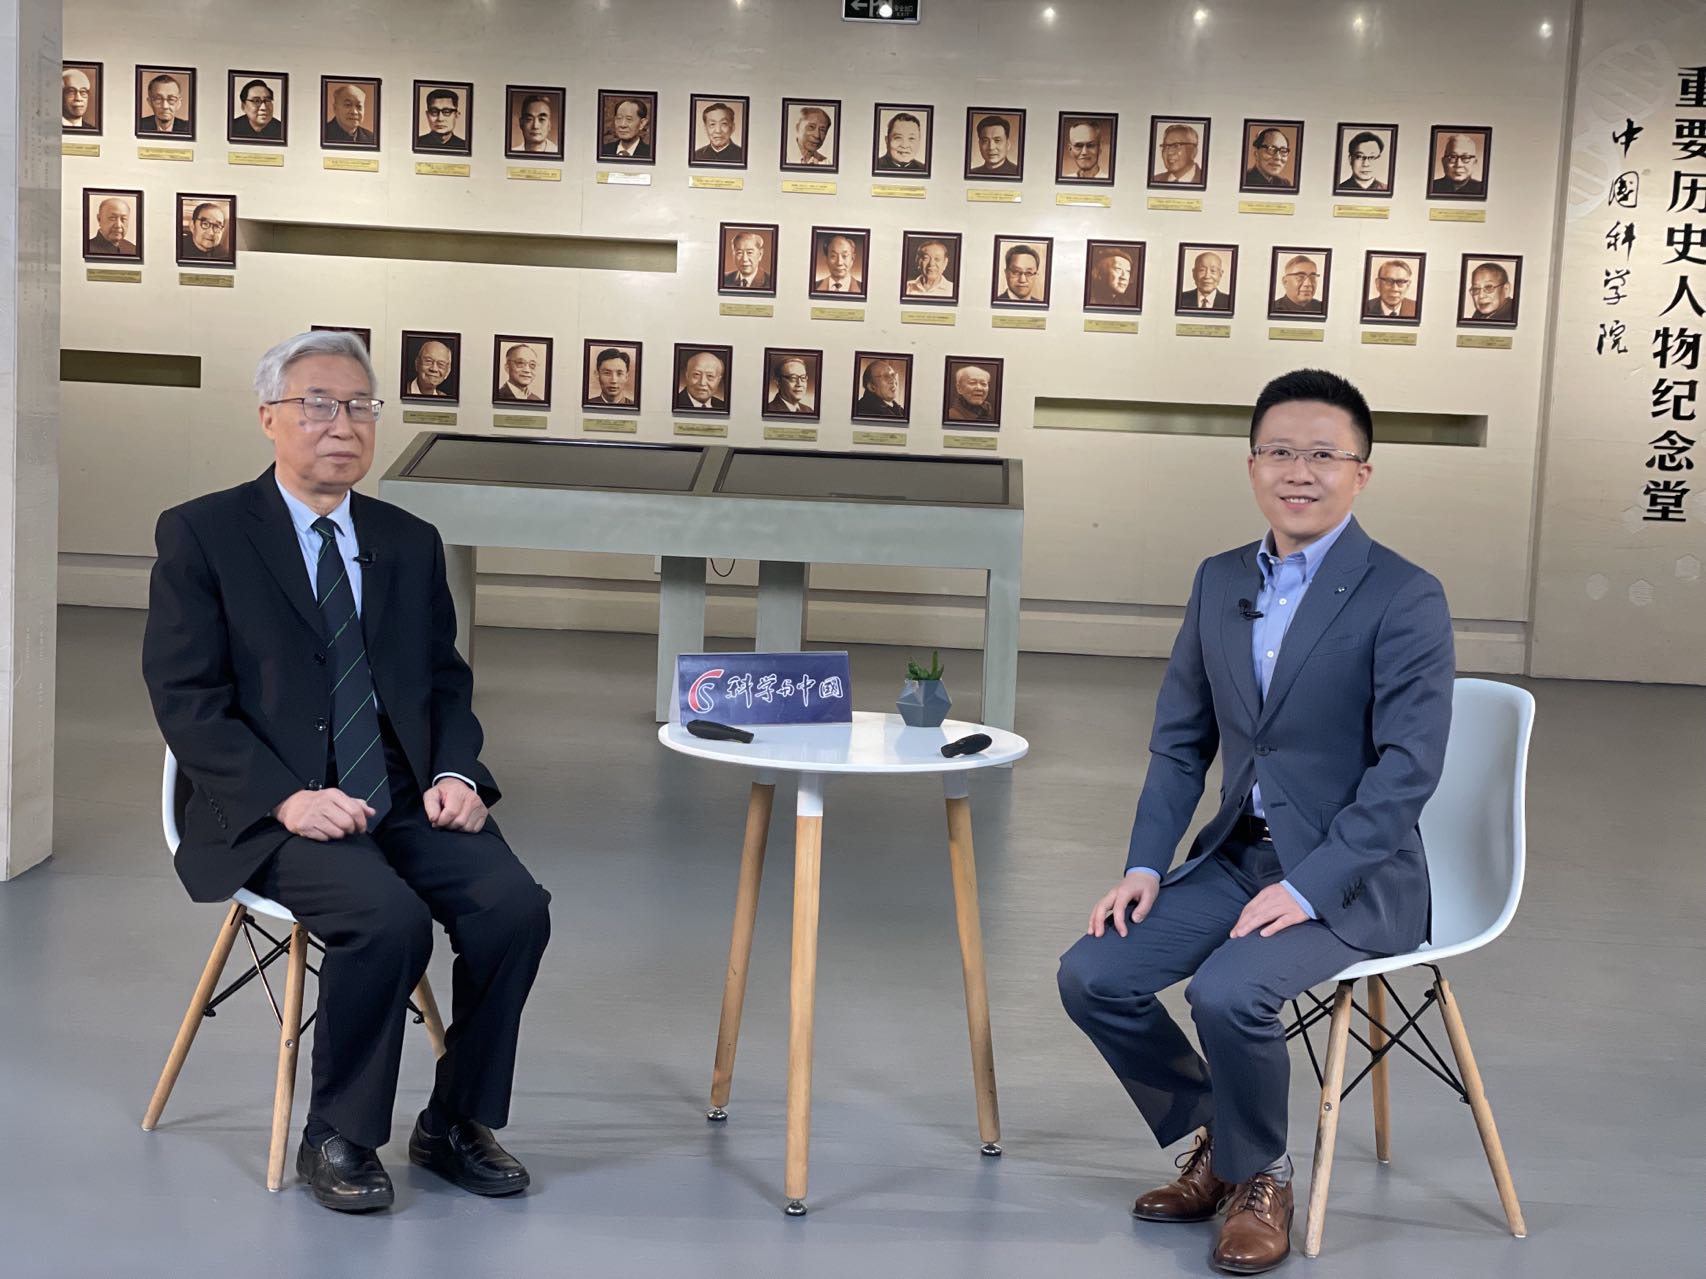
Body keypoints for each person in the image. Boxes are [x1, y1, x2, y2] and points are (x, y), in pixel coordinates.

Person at [141, 329, 552, 1214]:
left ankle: (455, 1121)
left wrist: (456, 770)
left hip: (400, 793)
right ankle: (338, 1132)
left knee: (515, 907)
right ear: (269, 417)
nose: (343, 424)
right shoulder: (204, 533)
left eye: (361, 406)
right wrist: (286, 798)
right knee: (387, 918)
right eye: (318, 404)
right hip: (271, 802)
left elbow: (443, 679)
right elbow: (185, 698)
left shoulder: (408, 540)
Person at [1057, 367, 1454, 1276]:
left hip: (1355, 876)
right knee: (1094, 973)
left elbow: (1407, 772)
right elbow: (1179, 744)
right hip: (1238, 856)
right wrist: (1145, 863)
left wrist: (1309, 888)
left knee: (1229, 990)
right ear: (1251, 466)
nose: (1298, 471)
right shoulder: (1219, 579)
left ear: (1361, 472)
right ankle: (1224, 1143)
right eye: (1279, 451)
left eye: (1323, 455)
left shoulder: (1405, 593)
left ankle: (1262, 1175)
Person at [1430, 133, 1486, 197]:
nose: (1458, 164)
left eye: (1465, 157)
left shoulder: (1482, 189)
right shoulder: (1432, 187)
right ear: (1443, 162)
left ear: (1474, 163)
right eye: (1452, 157)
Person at [323, 82, 375, 147]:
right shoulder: (322, 133)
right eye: (348, 105)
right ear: (335, 108)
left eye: (359, 106)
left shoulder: (371, 138)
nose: (354, 112)